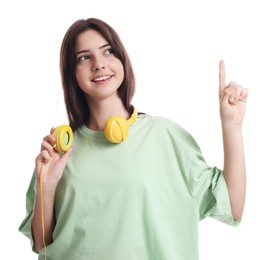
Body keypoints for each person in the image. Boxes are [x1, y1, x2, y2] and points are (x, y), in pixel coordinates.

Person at [19, 17, 248, 260]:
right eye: (84, 57)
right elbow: (43, 244)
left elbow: (231, 207)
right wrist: (46, 186)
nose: (99, 64)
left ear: (122, 60)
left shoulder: (164, 136)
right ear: (71, 73)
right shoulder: (58, 152)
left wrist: (231, 126)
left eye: (108, 51)